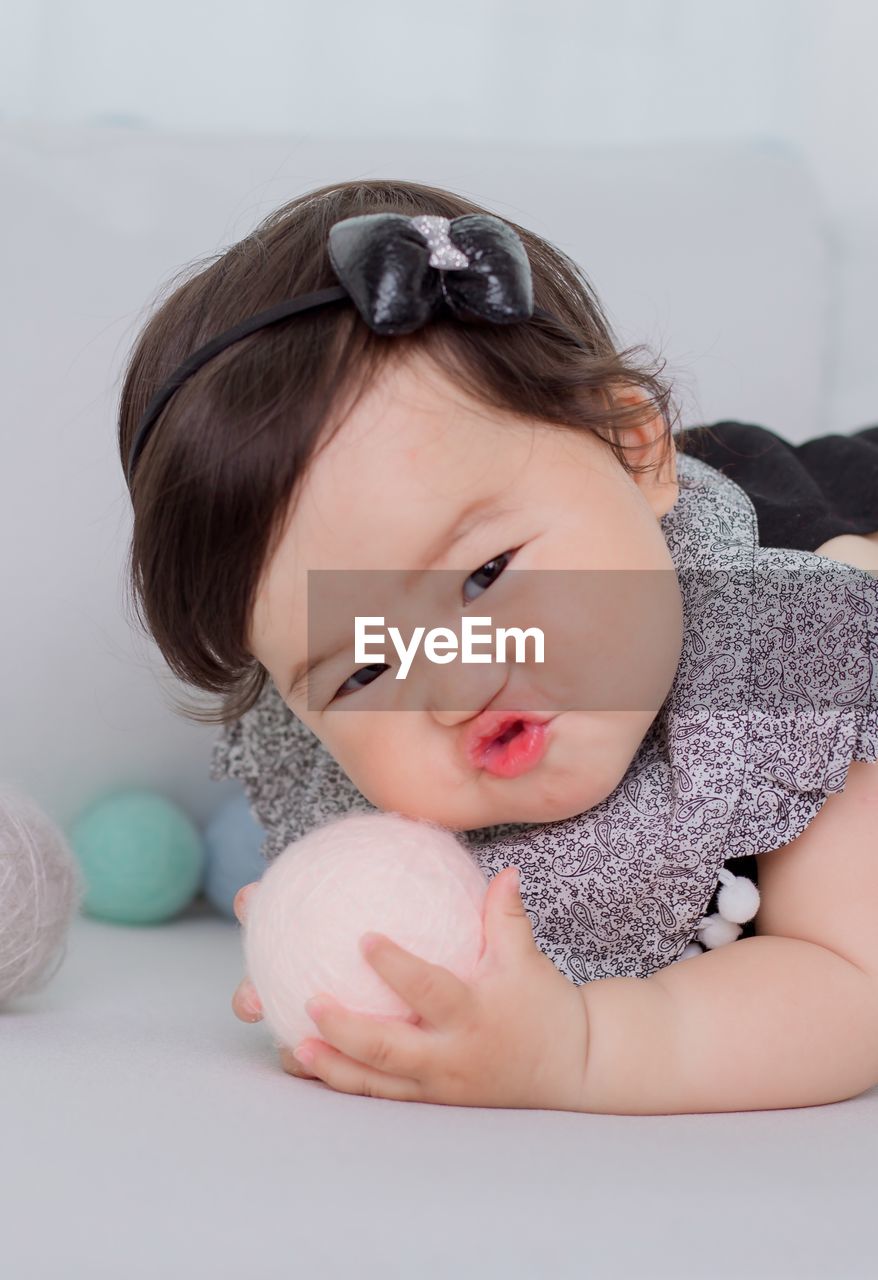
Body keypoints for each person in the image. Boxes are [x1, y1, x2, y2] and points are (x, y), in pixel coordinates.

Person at [119, 180, 878, 1114]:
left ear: (636, 453)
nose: (457, 684)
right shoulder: (386, 763)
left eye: (484, 576)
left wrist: (580, 1048)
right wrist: (350, 958)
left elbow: (851, 983)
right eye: (363, 669)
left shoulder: (790, 647)